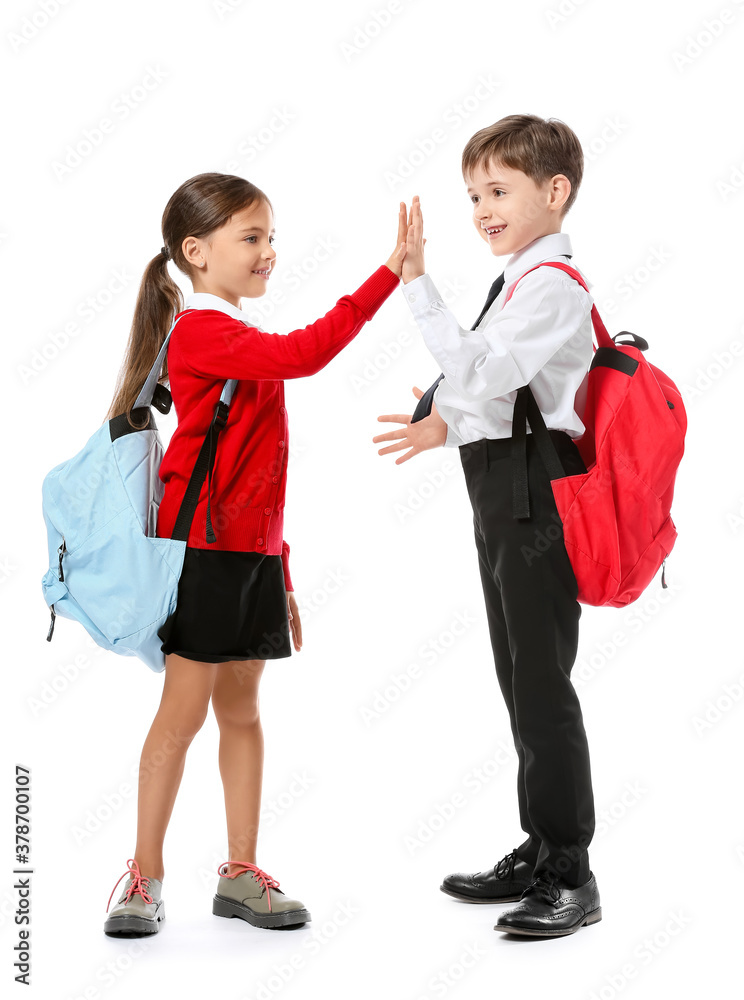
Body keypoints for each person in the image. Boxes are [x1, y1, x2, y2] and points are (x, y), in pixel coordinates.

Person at [102, 172, 408, 936]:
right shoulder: (206, 331)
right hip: (203, 555)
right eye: (252, 238)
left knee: (242, 712)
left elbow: (255, 475)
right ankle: (143, 878)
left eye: (271, 236)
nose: (270, 251)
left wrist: (285, 570)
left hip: (252, 555)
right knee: (182, 716)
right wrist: (388, 276)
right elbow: (307, 353)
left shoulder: (232, 332)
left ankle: (240, 874)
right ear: (196, 252)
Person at [374, 115, 602, 937]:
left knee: (541, 683)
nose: (481, 208)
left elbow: (482, 367)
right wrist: (444, 423)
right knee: (519, 676)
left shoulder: (551, 284)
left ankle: (572, 872)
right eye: (473, 194)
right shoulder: (521, 278)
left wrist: (416, 285)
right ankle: (542, 849)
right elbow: (491, 387)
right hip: (505, 487)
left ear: (554, 191)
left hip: (536, 498)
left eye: (498, 190)